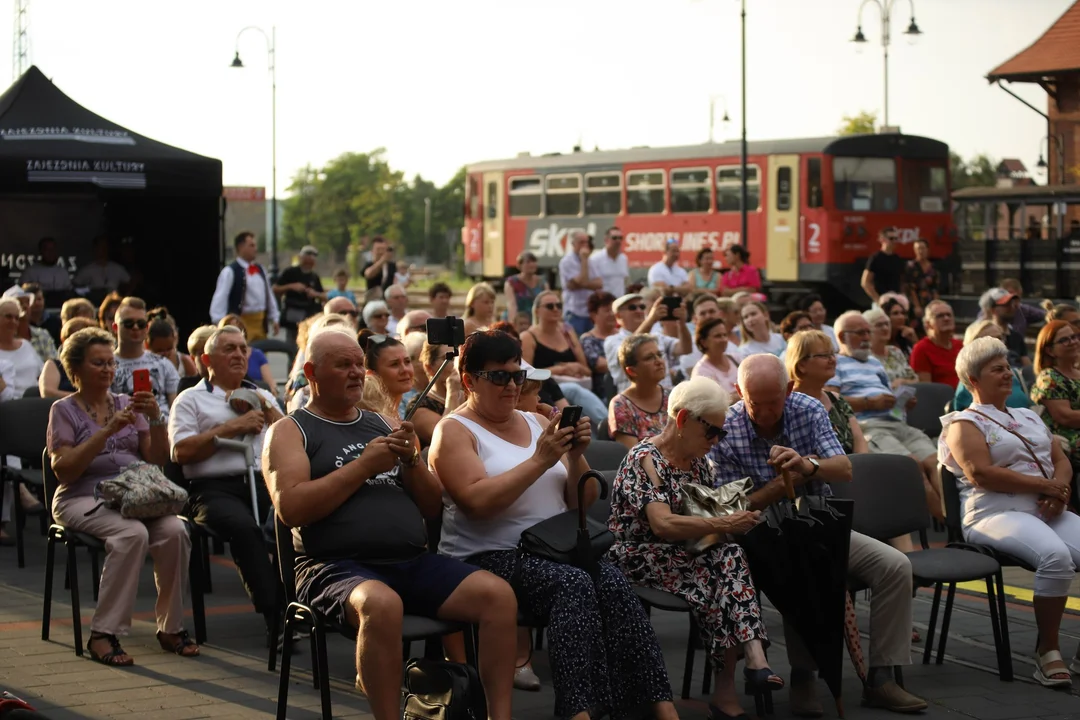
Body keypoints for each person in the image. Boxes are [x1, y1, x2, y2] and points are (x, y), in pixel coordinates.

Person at [262, 329, 517, 720]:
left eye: (358, 365)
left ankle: (499, 717)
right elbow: (291, 509)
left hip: (410, 562)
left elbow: (432, 506)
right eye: (342, 365)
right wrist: (362, 467)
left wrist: (413, 462)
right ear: (311, 372)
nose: (355, 373)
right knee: (381, 604)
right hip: (333, 567)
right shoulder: (290, 430)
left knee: (497, 596)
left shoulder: (381, 423)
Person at [430, 330, 678, 720]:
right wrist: (541, 460)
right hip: (486, 557)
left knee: (613, 582)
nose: (512, 386)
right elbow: (477, 504)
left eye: (517, 376)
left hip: (552, 549)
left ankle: (657, 706)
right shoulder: (454, 430)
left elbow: (579, 502)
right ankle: (580, 712)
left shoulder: (533, 421)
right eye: (499, 377)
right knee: (574, 585)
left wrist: (577, 458)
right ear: (469, 380)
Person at [711, 354, 926, 715]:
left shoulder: (808, 408)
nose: (763, 414)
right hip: (755, 534)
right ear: (738, 392)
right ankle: (804, 674)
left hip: (816, 521)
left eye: (773, 403)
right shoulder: (726, 426)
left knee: (895, 566)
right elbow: (731, 508)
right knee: (802, 568)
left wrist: (808, 466)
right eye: (754, 403)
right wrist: (781, 486)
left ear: (790, 389)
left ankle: (881, 677)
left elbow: (843, 469)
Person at [610, 376, 783, 720]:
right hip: (639, 556)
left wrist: (732, 518)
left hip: (687, 556)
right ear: (683, 419)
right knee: (725, 571)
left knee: (727, 561)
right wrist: (724, 524)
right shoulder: (645, 459)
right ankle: (742, 672)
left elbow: (701, 525)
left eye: (722, 433)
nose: (716, 440)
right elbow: (663, 524)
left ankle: (744, 671)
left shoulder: (700, 462)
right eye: (712, 431)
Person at [46, 327, 196, 666]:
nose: (108, 370)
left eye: (111, 363)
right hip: (81, 496)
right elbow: (65, 470)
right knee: (132, 533)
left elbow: (156, 458)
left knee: (175, 531)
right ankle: (103, 633)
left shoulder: (128, 403)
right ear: (75, 369)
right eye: (98, 363)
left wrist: (156, 419)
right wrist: (108, 430)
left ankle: (170, 627)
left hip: (134, 495)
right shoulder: (63, 410)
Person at [939, 336, 1080, 688]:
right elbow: (981, 474)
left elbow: (1061, 460)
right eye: (996, 369)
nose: (1007, 374)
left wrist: (1058, 492)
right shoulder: (963, 423)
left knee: (1060, 549)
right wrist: (1045, 488)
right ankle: (1047, 651)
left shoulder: (1028, 415)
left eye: (1008, 368)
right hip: (992, 512)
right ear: (973, 380)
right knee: (1055, 556)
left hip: (1046, 507)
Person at [169, 326, 284, 646]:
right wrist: (232, 427)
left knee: (294, 521)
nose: (238, 355)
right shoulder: (190, 400)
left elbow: (290, 439)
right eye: (229, 349)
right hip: (211, 487)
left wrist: (269, 410)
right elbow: (181, 453)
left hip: (263, 481)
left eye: (243, 348)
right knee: (245, 528)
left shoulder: (263, 394)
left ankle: (301, 606)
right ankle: (276, 618)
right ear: (207, 359)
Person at [829, 311, 944, 522]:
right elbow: (830, 401)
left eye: (867, 332)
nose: (866, 337)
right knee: (913, 467)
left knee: (938, 464)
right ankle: (947, 524)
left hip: (898, 422)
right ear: (842, 336)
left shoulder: (874, 362)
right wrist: (868, 403)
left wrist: (902, 402)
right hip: (870, 427)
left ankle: (956, 522)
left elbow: (888, 393)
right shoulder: (835, 363)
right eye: (860, 333)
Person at [521, 291, 608, 428]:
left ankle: (601, 432)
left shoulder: (568, 332)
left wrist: (576, 367)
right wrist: (559, 370)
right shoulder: (528, 337)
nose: (556, 309)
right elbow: (527, 376)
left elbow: (586, 370)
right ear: (537, 311)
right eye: (550, 306)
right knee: (573, 391)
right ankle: (608, 424)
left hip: (579, 385)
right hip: (548, 389)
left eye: (559, 305)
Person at [0, 296, 46, 536]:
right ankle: (20, 493)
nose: (12, 321)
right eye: (6, 316)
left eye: (14, 317)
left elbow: (42, 376)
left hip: (31, 410)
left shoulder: (27, 346)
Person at [788, 330, 869, 456]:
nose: (832, 360)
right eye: (824, 355)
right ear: (801, 364)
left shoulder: (837, 400)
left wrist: (858, 468)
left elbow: (860, 442)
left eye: (832, 354)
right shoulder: (788, 404)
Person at [604, 293, 691, 394]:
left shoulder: (656, 336)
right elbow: (628, 351)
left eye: (642, 307)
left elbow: (685, 348)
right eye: (632, 308)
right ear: (618, 316)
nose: (639, 311)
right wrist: (651, 320)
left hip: (665, 398)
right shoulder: (612, 341)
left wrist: (682, 323)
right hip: (634, 403)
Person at [111, 297, 179, 421]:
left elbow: (176, 411)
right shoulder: (106, 366)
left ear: (146, 328)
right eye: (128, 323)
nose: (135, 327)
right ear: (115, 328)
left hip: (163, 431)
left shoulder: (164, 364)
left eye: (141, 324)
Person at [208, 232, 280, 342]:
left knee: (260, 355)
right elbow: (220, 298)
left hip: (260, 323)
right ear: (241, 247)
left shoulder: (260, 269)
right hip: (241, 322)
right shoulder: (230, 271)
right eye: (251, 245)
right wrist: (219, 323)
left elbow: (269, 296)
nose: (255, 249)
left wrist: (274, 318)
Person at [1030, 320, 1080, 471]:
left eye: (1074, 337)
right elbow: (1065, 417)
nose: (1073, 342)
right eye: (1064, 340)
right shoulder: (1050, 377)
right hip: (1067, 441)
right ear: (1050, 351)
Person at [954, 321, 1030, 412]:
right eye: (991, 339)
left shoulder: (1014, 374)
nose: (998, 342)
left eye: (1000, 338)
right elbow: (965, 415)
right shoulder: (971, 377)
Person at [609, 335, 670, 448]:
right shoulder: (621, 405)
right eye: (649, 358)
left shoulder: (674, 396)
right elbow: (632, 459)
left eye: (659, 355)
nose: (659, 361)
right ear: (631, 371)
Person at [405, 341, 465, 448]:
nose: (457, 364)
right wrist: (452, 393)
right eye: (449, 358)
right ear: (429, 367)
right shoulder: (419, 406)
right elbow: (447, 439)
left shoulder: (470, 396)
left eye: (459, 358)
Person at [275, 245, 327, 347]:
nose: (311, 260)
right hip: (293, 311)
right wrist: (291, 286)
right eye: (308, 256)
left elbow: (324, 296)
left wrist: (314, 293)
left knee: (307, 343)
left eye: (313, 257)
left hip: (308, 313)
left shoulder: (314, 277)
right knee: (292, 343)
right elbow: (275, 288)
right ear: (301, 257)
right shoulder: (290, 272)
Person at [358, 333, 414, 420]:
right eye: (394, 364)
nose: (405, 370)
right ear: (372, 374)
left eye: (407, 361)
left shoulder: (398, 410)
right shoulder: (370, 415)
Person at [559, 231, 605, 335]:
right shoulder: (567, 261)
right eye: (581, 242)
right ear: (573, 244)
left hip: (589, 313)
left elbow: (599, 284)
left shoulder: (591, 261)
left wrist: (580, 284)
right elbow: (583, 280)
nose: (585, 245)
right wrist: (584, 260)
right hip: (574, 313)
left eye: (586, 242)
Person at [909, 300, 961, 389]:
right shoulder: (921, 349)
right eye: (940, 316)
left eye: (949, 315)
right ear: (928, 324)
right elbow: (926, 389)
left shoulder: (960, 345)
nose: (946, 318)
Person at [39, 317, 96, 398]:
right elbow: (47, 392)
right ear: (64, 340)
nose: (80, 343)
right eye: (76, 338)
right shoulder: (55, 365)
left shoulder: (99, 366)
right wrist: (83, 399)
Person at [219, 314, 277, 390]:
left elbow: (271, 384)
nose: (238, 355)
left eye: (239, 330)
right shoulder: (219, 356)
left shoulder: (257, 355)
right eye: (230, 331)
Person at [866, 308, 919, 389]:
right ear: (867, 330)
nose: (885, 328)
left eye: (887, 324)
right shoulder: (865, 357)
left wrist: (904, 382)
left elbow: (916, 380)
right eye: (879, 325)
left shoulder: (895, 351)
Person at [579, 291, 618, 400]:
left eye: (613, 309)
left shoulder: (622, 334)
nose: (612, 314)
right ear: (594, 315)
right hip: (604, 393)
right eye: (607, 310)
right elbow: (599, 365)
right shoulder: (588, 339)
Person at [980, 288, 1030, 368]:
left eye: (1012, 303)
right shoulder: (983, 336)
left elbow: (1027, 367)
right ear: (993, 310)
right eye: (1006, 304)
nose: (1012, 307)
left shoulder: (1017, 337)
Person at [146, 308, 199, 380]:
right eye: (159, 350)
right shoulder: (142, 362)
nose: (165, 353)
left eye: (169, 349)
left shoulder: (184, 360)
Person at [691, 318, 739, 396]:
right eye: (718, 336)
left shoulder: (736, 359)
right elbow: (712, 403)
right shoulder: (701, 372)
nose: (724, 339)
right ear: (703, 342)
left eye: (725, 335)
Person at [860, 228, 905, 306]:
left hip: (896, 302)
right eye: (891, 238)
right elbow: (865, 282)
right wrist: (879, 301)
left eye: (896, 238)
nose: (894, 241)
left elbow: (901, 282)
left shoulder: (897, 259)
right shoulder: (875, 258)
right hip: (880, 302)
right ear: (882, 240)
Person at [504, 251, 547, 321]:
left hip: (536, 319)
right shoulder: (511, 283)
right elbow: (512, 305)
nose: (532, 264)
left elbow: (547, 302)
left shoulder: (542, 282)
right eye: (528, 262)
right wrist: (512, 324)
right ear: (519, 265)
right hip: (518, 319)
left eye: (534, 261)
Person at [903, 238, 939, 321]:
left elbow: (935, 288)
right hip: (916, 303)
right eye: (918, 249)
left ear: (927, 249)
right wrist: (917, 306)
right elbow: (910, 288)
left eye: (922, 248)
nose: (920, 251)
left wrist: (936, 304)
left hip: (930, 302)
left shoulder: (933, 268)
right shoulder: (911, 267)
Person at [591, 227, 630, 297]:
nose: (618, 241)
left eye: (620, 238)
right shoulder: (595, 259)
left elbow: (625, 280)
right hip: (603, 302)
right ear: (606, 240)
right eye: (614, 238)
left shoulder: (623, 258)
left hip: (619, 302)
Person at [178, 326, 217, 395]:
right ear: (193, 358)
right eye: (202, 353)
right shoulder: (187, 387)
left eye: (211, 353)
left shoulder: (234, 382)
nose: (207, 358)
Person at [880, 293, 917, 358]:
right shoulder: (881, 339)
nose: (901, 317)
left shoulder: (906, 337)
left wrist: (914, 340)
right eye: (895, 313)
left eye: (903, 313)